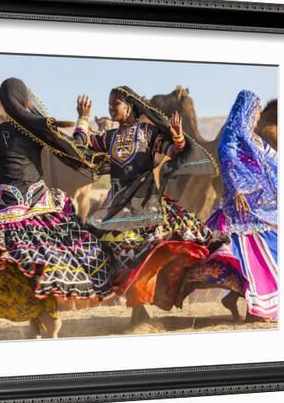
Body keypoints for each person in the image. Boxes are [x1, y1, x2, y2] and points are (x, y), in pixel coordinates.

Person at [0, 78, 116, 338]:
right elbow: (77, 150)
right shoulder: (38, 131)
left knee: (11, 264)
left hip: (2, 213)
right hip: (40, 208)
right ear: (25, 101)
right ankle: (46, 321)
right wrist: (83, 118)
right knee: (47, 261)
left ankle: (37, 320)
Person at [72, 86, 228, 324]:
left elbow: (175, 151)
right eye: (109, 104)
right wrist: (82, 118)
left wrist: (177, 136)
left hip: (146, 204)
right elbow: (81, 145)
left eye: (115, 104)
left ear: (128, 107)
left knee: (152, 250)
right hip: (116, 208)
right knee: (116, 256)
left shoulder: (147, 133)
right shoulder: (110, 138)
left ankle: (140, 308)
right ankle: (137, 308)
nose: (110, 108)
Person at [193, 90, 278, 322]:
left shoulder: (254, 138)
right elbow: (227, 159)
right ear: (248, 110)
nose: (258, 116)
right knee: (251, 257)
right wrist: (238, 189)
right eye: (256, 111)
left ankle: (236, 298)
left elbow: (273, 161)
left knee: (268, 252)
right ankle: (255, 310)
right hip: (241, 209)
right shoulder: (232, 134)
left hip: (262, 207)